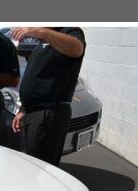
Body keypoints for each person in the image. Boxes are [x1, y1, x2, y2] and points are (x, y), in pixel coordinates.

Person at [11, 27, 86, 167]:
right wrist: (24, 109)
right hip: (34, 113)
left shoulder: (69, 31)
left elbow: (77, 49)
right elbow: (37, 77)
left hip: (49, 113)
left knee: (41, 168)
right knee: (30, 164)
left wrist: (40, 31)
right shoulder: (42, 41)